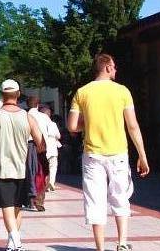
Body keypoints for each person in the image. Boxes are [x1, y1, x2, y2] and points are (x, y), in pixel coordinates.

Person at [67, 53, 150, 251]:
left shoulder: (82, 92)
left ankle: (100, 247)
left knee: (95, 200)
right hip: (118, 153)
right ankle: (122, 243)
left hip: (92, 155)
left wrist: (89, 121)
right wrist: (142, 155)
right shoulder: (122, 91)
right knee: (120, 197)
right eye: (113, 66)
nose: (115, 70)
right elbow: (132, 126)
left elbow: (71, 126)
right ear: (106, 67)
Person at [0, 79, 44, 251]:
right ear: (18, 94)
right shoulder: (28, 117)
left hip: (2, 167)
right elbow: (40, 142)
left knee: (7, 206)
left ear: (2, 95)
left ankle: (15, 242)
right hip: (22, 167)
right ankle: (14, 242)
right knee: (17, 207)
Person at [26, 96, 50, 212]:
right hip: (41, 147)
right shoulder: (44, 117)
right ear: (38, 104)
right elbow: (52, 132)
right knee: (43, 173)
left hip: (27, 146)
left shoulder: (24, 116)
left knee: (29, 172)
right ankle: (39, 199)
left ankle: (29, 199)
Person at [40, 105, 61, 191]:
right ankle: (51, 183)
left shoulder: (38, 124)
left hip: (43, 148)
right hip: (52, 149)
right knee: (53, 167)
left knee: (43, 167)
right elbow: (58, 136)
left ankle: (44, 184)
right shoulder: (53, 124)